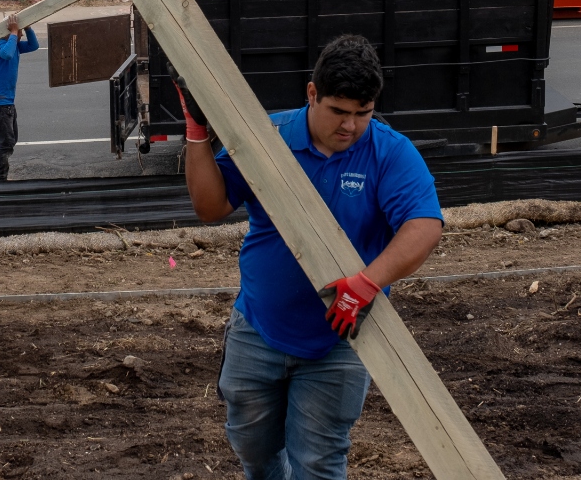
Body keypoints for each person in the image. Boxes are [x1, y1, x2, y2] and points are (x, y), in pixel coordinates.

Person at [180, 33, 443, 480]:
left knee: (319, 464)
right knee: (256, 454)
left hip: (338, 341)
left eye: (363, 113)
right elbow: (211, 207)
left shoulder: (388, 152)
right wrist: (197, 131)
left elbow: (424, 226)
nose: (351, 126)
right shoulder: (269, 139)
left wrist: (366, 284)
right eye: (338, 111)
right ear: (311, 94)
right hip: (259, 330)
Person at [0, 13, 38, 181]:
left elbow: (34, 45)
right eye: (17, 31)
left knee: (10, 140)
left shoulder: (13, 46)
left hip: (6, 102)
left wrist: (27, 28)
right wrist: (14, 32)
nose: (20, 34)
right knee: (6, 142)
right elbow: (6, 54)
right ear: (6, 31)